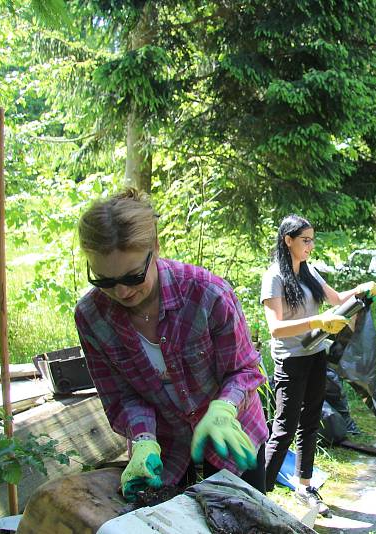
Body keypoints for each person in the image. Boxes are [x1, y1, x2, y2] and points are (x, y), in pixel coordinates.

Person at [74, 188, 268, 501]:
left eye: (133, 277)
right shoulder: (92, 317)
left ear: (155, 248)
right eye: (104, 281)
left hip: (232, 437)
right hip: (165, 452)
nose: (121, 292)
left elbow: (244, 369)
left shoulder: (207, 294)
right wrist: (144, 440)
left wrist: (224, 408)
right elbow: (121, 396)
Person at [261, 214, 376, 517]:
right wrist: (316, 320)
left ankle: (305, 485)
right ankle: (258, 492)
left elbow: (338, 299)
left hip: (315, 355)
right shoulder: (274, 276)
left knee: (311, 422)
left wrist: (362, 289)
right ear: (288, 240)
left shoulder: (309, 271)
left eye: (312, 240)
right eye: (305, 240)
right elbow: (275, 328)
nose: (311, 246)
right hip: (289, 361)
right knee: (284, 428)